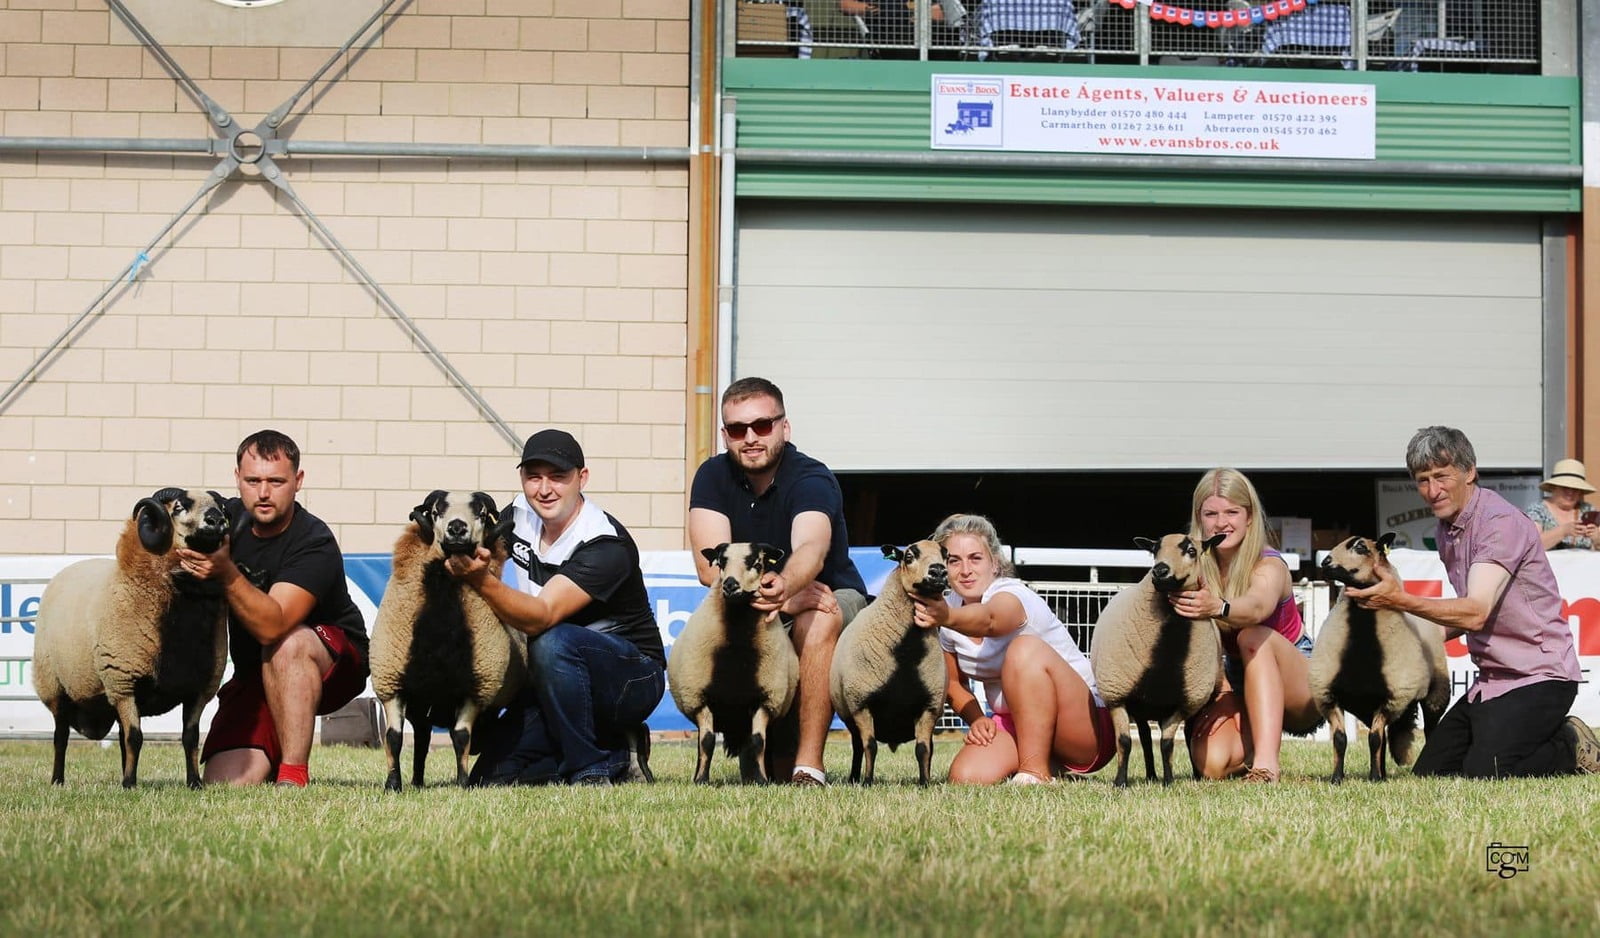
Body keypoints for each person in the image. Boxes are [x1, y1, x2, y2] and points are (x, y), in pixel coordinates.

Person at [1346, 426, 1599, 777]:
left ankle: (1570, 745)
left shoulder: (1499, 523)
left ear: (1470, 471)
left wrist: (1399, 599)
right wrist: (1392, 645)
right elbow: (1461, 615)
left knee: (1486, 771)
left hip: (1541, 677)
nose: (1432, 491)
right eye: (1422, 480)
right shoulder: (1447, 528)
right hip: (1492, 679)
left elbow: (1476, 612)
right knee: (1431, 774)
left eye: (1441, 476)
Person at [448, 429, 666, 786]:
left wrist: (480, 579)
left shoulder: (604, 541)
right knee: (490, 779)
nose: (544, 489)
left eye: (558, 477)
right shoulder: (515, 515)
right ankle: (620, 750)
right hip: (556, 680)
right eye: (534, 477)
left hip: (630, 679)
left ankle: (589, 769)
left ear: (582, 478)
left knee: (552, 641)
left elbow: (541, 617)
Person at [688, 377, 869, 786]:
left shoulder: (811, 477)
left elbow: (812, 547)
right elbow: (709, 568)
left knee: (818, 617)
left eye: (762, 425)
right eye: (737, 430)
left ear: (784, 428)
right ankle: (755, 753)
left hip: (830, 593)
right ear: (725, 436)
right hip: (760, 599)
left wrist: (785, 587)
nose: (750, 437)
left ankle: (809, 767)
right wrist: (777, 598)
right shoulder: (712, 476)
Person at [182, 430, 369, 787]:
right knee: (225, 783)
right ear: (237, 478)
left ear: (297, 481)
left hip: (331, 661)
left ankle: (292, 774)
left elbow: (273, 625)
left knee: (287, 642)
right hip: (256, 674)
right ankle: (273, 751)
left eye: (276, 481)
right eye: (253, 480)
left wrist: (225, 571)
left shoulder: (314, 540)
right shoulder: (223, 520)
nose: (263, 492)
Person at [911, 514, 1114, 785]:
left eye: (975, 558)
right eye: (953, 561)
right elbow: (954, 684)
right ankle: (1047, 760)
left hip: (1087, 725)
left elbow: (991, 620)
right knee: (966, 777)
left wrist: (946, 617)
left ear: (995, 563)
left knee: (1023, 649)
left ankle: (1035, 771)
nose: (965, 570)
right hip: (1015, 721)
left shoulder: (1012, 593)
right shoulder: (949, 609)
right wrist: (977, 719)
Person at [1174, 468, 1321, 783]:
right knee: (1212, 765)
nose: (1221, 522)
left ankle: (1266, 767)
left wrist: (1218, 606)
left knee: (1253, 636)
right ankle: (1250, 743)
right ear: (1199, 519)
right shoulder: (1195, 567)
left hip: (1297, 679)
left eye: (1232, 512)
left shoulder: (1270, 565)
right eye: (1210, 513)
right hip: (1236, 677)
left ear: (1250, 517)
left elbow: (1256, 607)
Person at [1525, 458, 1600, 551]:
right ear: (1554, 487)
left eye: (1575, 489)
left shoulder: (1588, 510)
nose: (1570, 492)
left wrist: (1597, 540)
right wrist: (1563, 531)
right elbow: (1531, 547)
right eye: (1565, 487)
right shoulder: (1538, 511)